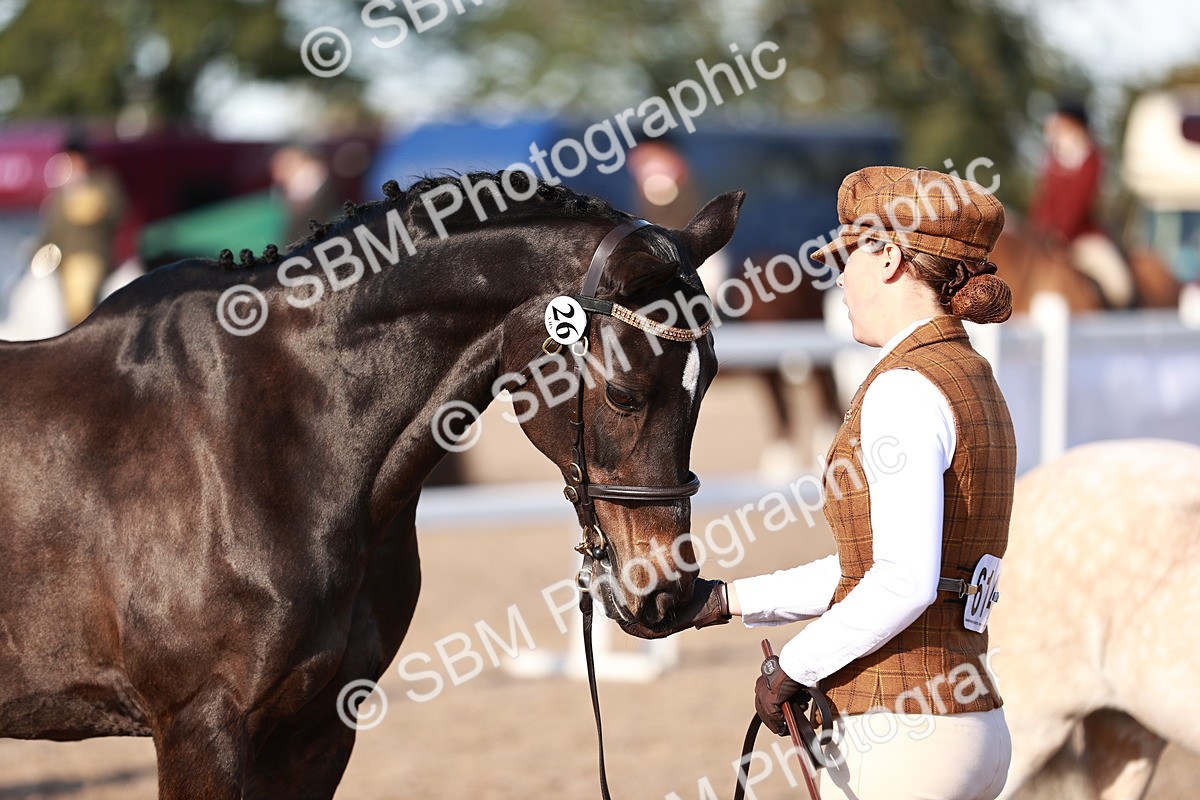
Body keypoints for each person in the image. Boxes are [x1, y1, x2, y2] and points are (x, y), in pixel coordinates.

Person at [630, 166, 1018, 800]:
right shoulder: (972, 375)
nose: (838, 277)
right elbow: (879, 568)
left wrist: (795, 666)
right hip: (975, 726)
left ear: (889, 257)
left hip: (899, 733)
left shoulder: (902, 388)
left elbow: (903, 582)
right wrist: (726, 600)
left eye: (849, 256)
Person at [1028, 99, 1134, 307]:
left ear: (1076, 125)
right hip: (1049, 240)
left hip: (1085, 237)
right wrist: (1037, 231)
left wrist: (1062, 235)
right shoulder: (1053, 158)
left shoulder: (1093, 157)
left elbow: (1081, 200)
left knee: (1120, 286)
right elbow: (1045, 200)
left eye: (1062, 123)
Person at [37, 131, 126, 326]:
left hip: (92, 256)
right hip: (64, 263)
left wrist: (86, 196)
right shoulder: (61, 192)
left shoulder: (103, 182)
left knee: (82, 304)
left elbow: (115, 210)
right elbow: (53, 229)